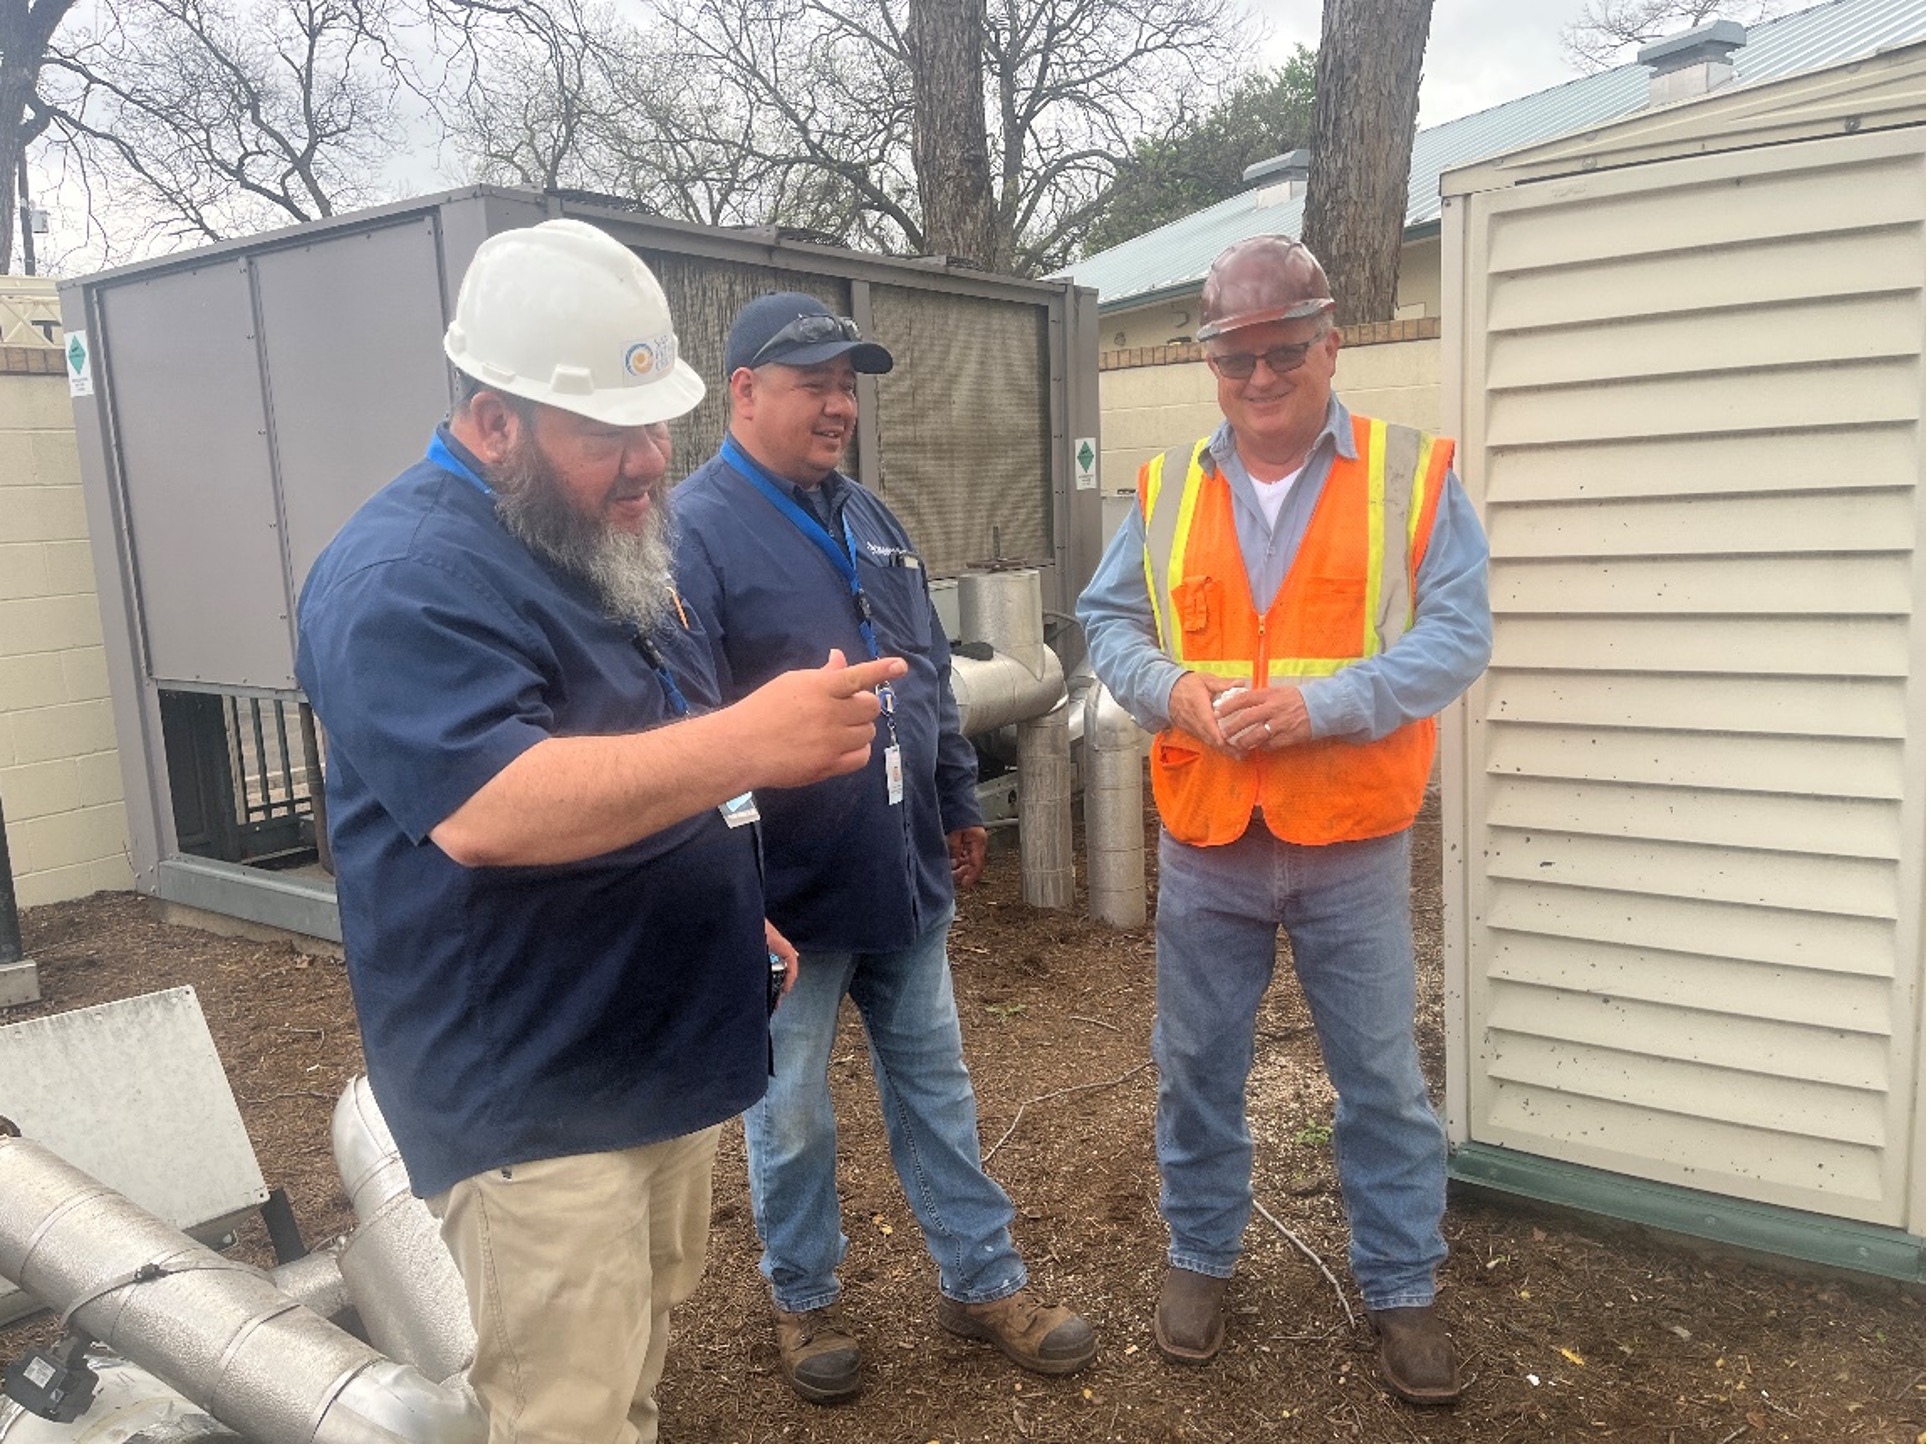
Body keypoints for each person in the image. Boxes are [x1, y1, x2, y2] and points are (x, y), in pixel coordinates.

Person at [295, 222, 905, 1444]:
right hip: (535, 1100)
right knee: (559, 1415)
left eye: (655, 423)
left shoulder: (590, 534)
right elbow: (492, 805)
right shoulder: (402, 576)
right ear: (492, 421)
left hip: (649, 1058)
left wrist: (736, 887)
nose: (645, 462)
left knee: (629, 1380)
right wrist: (752, 743)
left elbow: (638, 736)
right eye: (604, 433)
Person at [1076, 235, 1492, 1406]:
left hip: (1349, 838)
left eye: (1281, 351)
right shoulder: (1164, 491)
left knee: (1378, 1078)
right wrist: (1174, 692)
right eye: (1234, 358)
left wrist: (1324, 703)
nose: (1259, 378)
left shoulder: (1409, 477)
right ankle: (1200, 1257)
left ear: (1328, 342)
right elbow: (1106, 625)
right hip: (1207, 837)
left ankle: (1401, 1283)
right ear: (1209, 360)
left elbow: (1454, 638)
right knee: (1195, 1065)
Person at [673, 292, 1098, 1404]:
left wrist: (957, 797)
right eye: (813, 381)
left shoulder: (871, 515)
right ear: (744, 393)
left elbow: (927, 682)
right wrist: (727, 889)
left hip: (899, 868)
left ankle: (980, 1278)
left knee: (938, 1093)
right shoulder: (692, 534)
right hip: (787, 898)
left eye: (846, 383)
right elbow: (682, 732)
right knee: (794, 1113)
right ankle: (804, 1292)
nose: (837, 404)